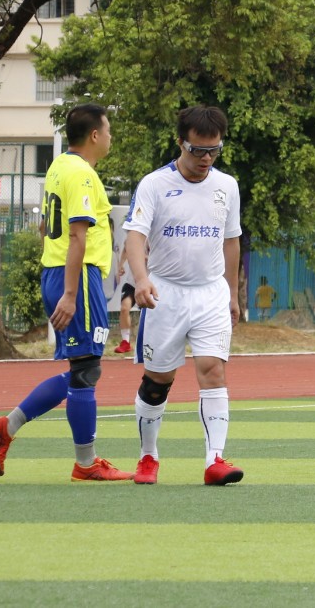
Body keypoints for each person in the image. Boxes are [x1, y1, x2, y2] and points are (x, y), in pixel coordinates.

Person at [0, 103, 131, 482]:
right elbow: (77, 235)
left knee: (81, 369)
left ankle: (7, 427)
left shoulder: (57, 166)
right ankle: (85, 463)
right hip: (76, 279)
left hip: (58, 272)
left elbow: (48, 228)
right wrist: (70, 292)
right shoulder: (81, 173)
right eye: (109, 130)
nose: (111, 137)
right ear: (95, 135)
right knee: (86, 370)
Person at [122, 105, 245, 487]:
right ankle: (147, 457)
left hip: (210, 294)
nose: (205, 159)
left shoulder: (227, 186)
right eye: (197, 150)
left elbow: (231, 240)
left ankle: (215, 460)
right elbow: (135, 236)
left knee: (213, 370)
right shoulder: (154, 184)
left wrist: (232, 293)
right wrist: (141, 280)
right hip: (166, 294)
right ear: (180, 142)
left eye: (213, 151)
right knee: (159, 380)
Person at [110, 244, 136, 354]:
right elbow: (126, 246)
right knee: (124, 308)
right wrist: (120, 265)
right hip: (133, 283)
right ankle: (125, 342)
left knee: (152, 315)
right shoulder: (137, 234)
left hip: (151, 283)